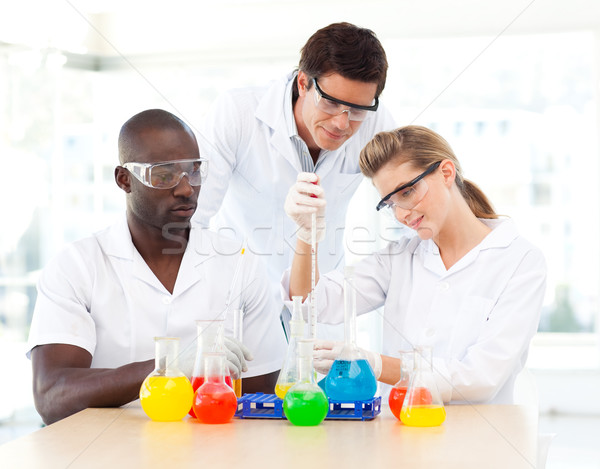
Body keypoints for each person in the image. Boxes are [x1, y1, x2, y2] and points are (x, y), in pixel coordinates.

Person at [27, 109, 287, 424]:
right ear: (124, 180)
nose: (186, 188)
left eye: (193, 171)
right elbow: (52, 395)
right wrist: (168, 367)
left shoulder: (240, 265)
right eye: (163, 174)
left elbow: (260, 403)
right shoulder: (77, 267)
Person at [283, 125, 546, 404]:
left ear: (446, 173)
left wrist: (376, 364)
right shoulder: (399, 257)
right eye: (390, 203)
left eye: (407, 193)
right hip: (396, 435)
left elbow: (481, 379)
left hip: (473, 439)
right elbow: (313, 302)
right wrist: (307, 235)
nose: (401, 214)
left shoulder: (521, 261)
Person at [194, 22, 396, 336]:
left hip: (320, 308)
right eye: (330, 103)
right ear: (303, 82)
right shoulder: (238, 113)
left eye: (356, 109)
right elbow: (193, 217)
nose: (342, 123)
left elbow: (404, 196)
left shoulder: (374, 122)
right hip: (243, 304)